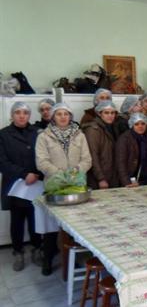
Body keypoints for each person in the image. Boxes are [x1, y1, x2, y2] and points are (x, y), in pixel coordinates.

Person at [35, 103, 92, 275]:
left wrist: (75, 172)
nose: (62, 117)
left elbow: (87, 159)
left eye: (66, 114)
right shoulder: (44, 137)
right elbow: (41, 161)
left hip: (77, 185)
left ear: (70, 116)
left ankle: (74, 259)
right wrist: (60, 174)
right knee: (52, 226)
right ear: (53, 117)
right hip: (55, 186)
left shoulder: (79, 135)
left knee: (77, 225)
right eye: (59, 114)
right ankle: (48, 259)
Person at [0, 102, 44, 272]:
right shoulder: (3, 134)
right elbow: (2, 162)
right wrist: (23, 174)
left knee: (35, 218)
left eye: (25, 112)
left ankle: (36, 249)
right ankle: (18, 251)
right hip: (15, 185)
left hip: (36, 183)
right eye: (17, 112)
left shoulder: (37, 133)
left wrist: (38, 174)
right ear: (12, 115)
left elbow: (43, 156)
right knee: (17, 220)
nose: (21, 115)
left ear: (29, 115)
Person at [83, 101, 119, 190]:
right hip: (99, 179)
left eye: (112, 113)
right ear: (99, 114)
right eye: (106, 113)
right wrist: (101, 178)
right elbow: (93, 155)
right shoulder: (93, 130)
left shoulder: (112, 127)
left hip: (111, 174)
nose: (110, 115)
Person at [116, 113, 147, 186]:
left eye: (143, 124)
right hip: (131, 178)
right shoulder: (124, 139)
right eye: (136, 124)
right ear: (132, 125)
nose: (140, 126)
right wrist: (127, 182)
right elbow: (121, 163)